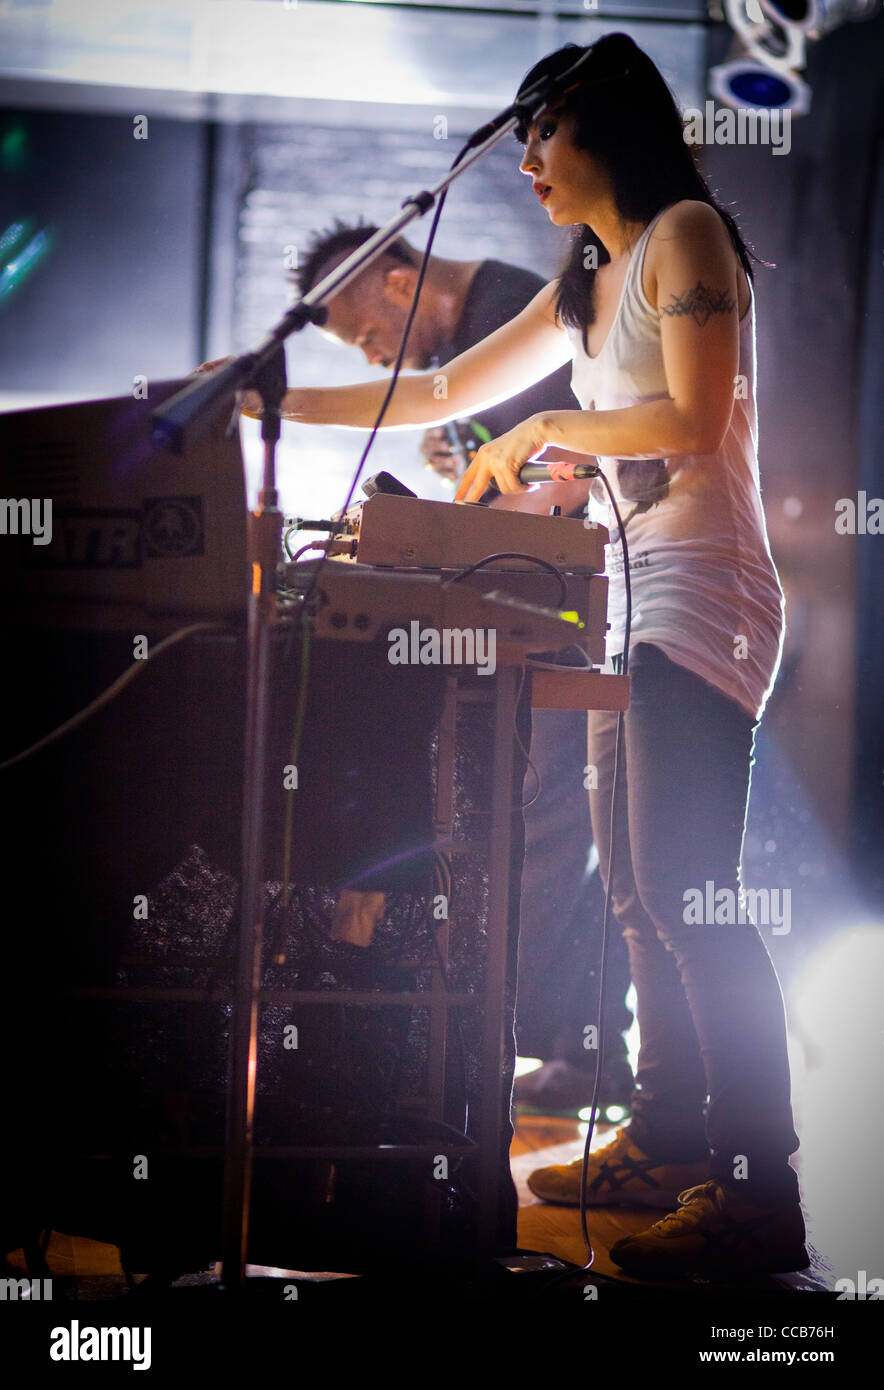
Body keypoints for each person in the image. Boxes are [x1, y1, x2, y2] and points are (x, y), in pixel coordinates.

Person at [228, 30, 807, 1280]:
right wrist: (253, 395)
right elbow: (435, 393)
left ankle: (763, 1195)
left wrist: (552, 421)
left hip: (704, 594)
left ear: (599, 126)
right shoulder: (591, 274)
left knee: (689, 896)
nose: (528, 163)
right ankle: (663, 1139)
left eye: (539, 135)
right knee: (638, 895)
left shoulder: (683, 240)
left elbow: (697, 419)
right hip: (627, 590)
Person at [289, 224, 635, 1114]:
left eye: (364, 333)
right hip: (548, 610)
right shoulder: (474, 333)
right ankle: (576, 1054)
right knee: (551, 825)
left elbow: (572, 475)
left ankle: (550, 1051)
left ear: (399, 283)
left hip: (576, 613)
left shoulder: (504, 311)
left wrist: (473, 513)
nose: (370, 353)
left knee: (549, 826)